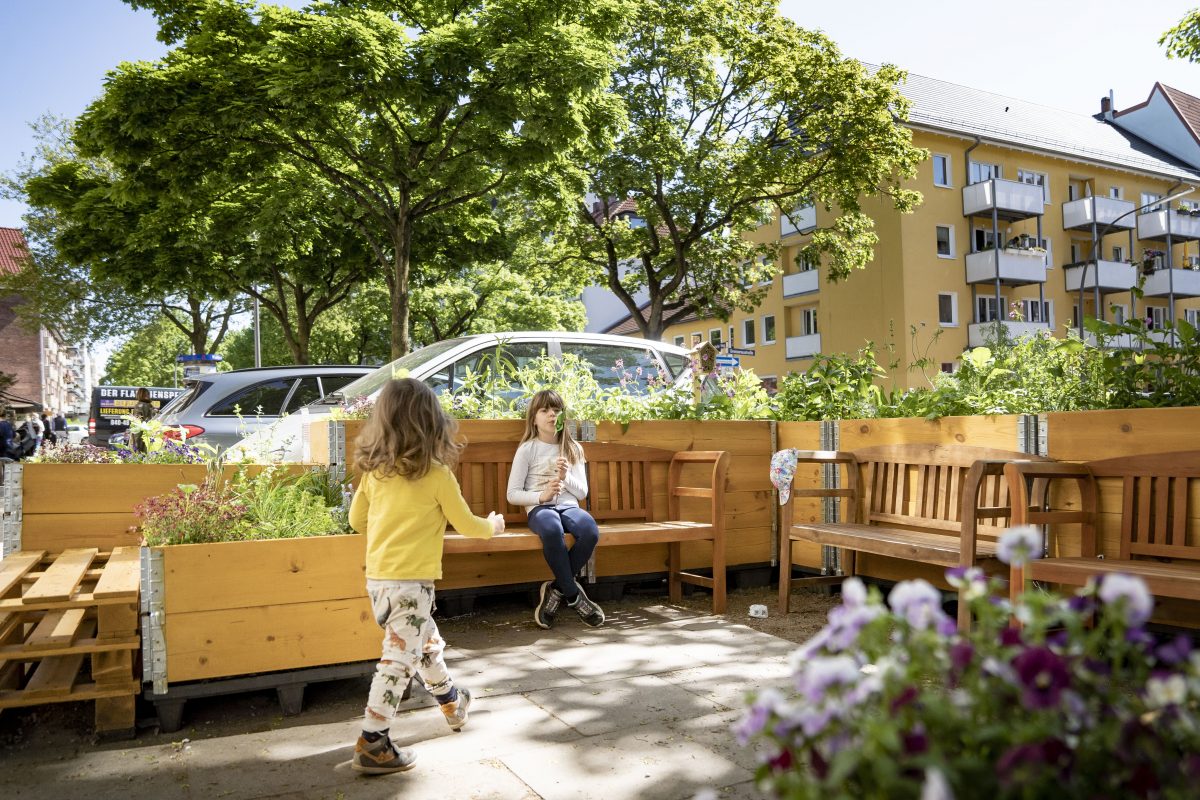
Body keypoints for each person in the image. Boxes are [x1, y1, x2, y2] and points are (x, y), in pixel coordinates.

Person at [347, 378, 504, 776]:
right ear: (431, 424)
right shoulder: (436, 475)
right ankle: (373, 741)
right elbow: (467, 524)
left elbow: (356, 520)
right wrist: (494, 525)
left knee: (424, 644)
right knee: (399, 659)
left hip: (379, 581)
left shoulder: (375, 473)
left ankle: (452, 701)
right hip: (412, 582)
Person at [507, 389, 605, 629]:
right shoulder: (528, 449)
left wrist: (565, 476)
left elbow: (582, 493)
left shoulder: (572, 448)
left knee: (589, 530)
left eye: (557, 410)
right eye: (545, 410)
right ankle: (573, 596)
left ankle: (557, 589)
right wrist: (543, 496)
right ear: (534, 418)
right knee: (551, 530)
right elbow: (512, 494)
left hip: (569, 506)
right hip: (541, 509)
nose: (552, 414)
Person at [130, 388, 156, 453]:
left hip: (141, 437)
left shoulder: (139, 406)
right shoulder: (151, 407)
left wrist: (136, 445)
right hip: (150, 435)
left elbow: (137, 425)